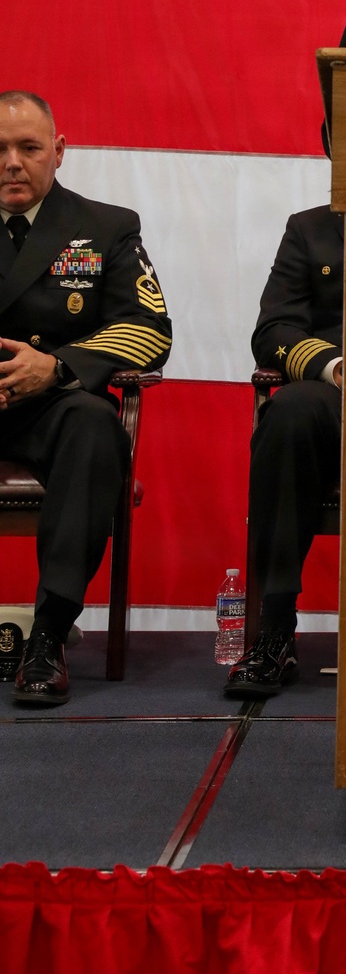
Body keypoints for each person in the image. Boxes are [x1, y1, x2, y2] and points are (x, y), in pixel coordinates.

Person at [0, 91, 171, 705]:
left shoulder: (105, 226)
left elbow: (150, 331)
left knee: (97, 427)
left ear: (59, 151)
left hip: (53, 408)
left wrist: (58, 366)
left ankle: (47, 636)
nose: (12, 163)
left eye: (28, 147)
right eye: (0, 150)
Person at [224, 207, 343, 698]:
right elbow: (273, 331)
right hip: (340, 390)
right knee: (288, 412)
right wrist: (334, 367)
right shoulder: (311, 229)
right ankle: (275, 629)